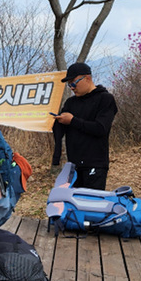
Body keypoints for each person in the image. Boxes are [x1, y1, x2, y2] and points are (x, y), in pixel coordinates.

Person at [51, 62, 118, 191]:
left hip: (95, 164)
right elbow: (60, 129)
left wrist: (72, 121)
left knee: (92, 204)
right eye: (69, 84)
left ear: (87, 78)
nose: (71, 87)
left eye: (74, 82)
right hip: (74, 166)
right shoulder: (70, 103)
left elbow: (101, 128)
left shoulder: (105, 99)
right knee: (75, 205)